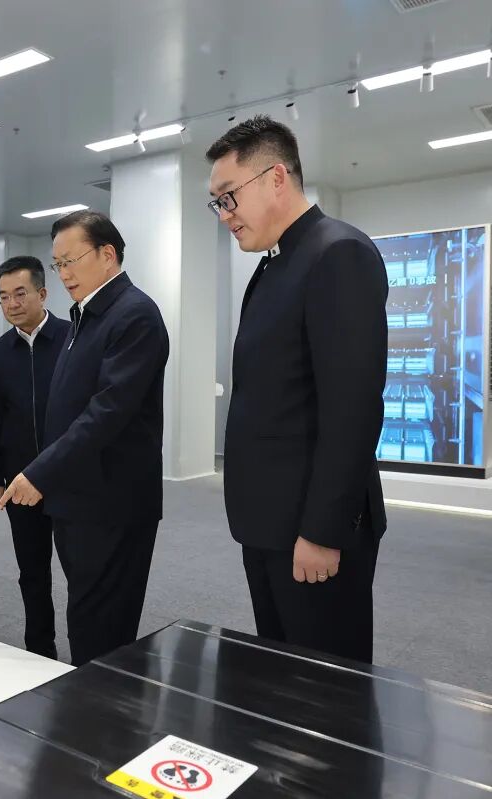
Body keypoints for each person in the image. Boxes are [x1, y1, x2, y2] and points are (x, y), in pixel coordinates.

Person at [207, 115, 388, 664]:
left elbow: (352, 410)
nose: (224, 214)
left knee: (327, 690)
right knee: (281, 679)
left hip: (311, 531)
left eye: (228, 197)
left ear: (276, 178)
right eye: (217, 203)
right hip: (269, 524)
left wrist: (322, 532)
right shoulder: (274, 267)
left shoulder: (338, 254)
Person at [0, 210, 170, 666]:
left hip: (112, 502)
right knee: (87, 615)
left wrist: (42, 472)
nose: (64, 274)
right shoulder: (88, 315)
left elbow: (107, 412)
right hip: (79, 498)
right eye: (58, 265)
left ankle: (105, 708)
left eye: (70, 261)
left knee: (102, 629)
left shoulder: (134, 315)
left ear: (107, 254)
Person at [0, 256, 70, 658]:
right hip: (20, 481)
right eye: (4, 297)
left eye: (20, 293)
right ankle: (40, 649)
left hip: (69, 477)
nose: (12, 304)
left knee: (80, 571)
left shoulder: (73, 338)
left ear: (42, 293)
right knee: (32, 571)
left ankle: (86, 650)